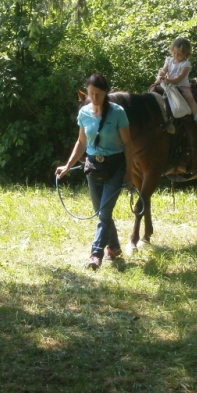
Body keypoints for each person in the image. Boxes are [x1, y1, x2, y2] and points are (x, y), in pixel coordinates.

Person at [55, 74, 133, 270]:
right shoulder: (84, 113)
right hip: (93, 166)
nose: (94, 98)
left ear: (106, 93)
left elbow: (128, 144)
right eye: (91, 93)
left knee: (104, 213)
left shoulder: (118, 112)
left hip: (115, 167)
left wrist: (130, 172)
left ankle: (95, 254)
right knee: (101, 212)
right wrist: (67, 165)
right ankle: (114, 247)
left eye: (98, 94)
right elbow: (81, 142)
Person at [157, 38, 197, 130]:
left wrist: (170, 81)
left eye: (179, 54)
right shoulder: (169, 60)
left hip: (181, 85)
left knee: (190, 98)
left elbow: (180, 77)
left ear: (186, 55)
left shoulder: (186, 64)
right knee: (155, 91)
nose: (176, 56)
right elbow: (164, 70)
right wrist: (161, 75)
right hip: (169, 84)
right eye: (174, 53)